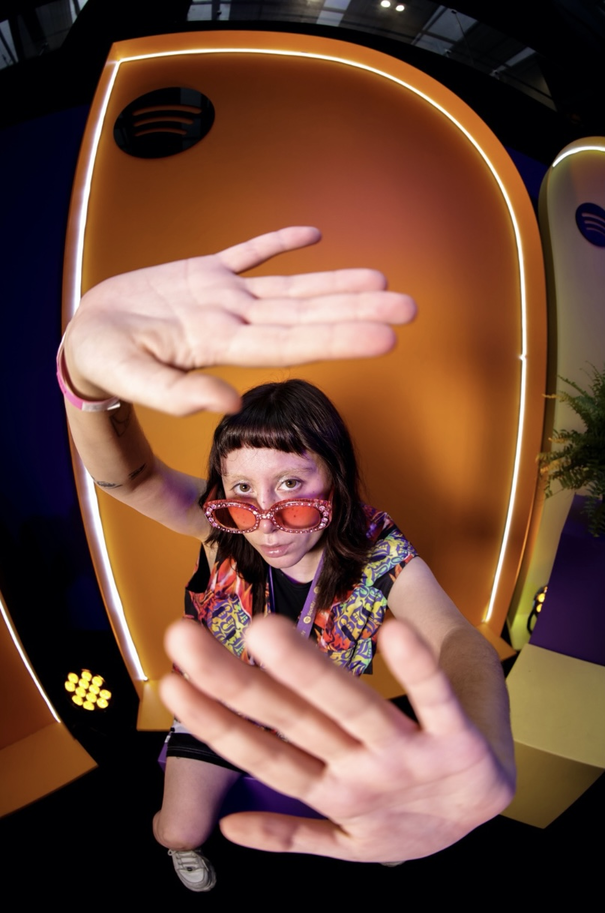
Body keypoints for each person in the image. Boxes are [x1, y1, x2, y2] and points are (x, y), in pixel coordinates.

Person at [60, 226, 515, 890]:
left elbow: (453, 636)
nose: (266, 519)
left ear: (336, 477)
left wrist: (484, 742)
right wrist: (85, 380)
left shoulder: (377, 551)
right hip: (223, 705)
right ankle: (182, 843)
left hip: (317, 719)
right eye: (243, 489)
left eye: (293, 485)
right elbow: (131, 479)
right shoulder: (223, 527)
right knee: (177, 830)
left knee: (390, 836)